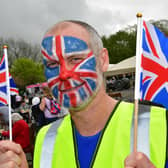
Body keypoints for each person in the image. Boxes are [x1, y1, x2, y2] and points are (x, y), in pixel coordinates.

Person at [0, 20, 165, 168]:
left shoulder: (161, 124)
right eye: (52, 64)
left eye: (75, 59)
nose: (63, 74)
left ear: (103, 60)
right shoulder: (45, 138)